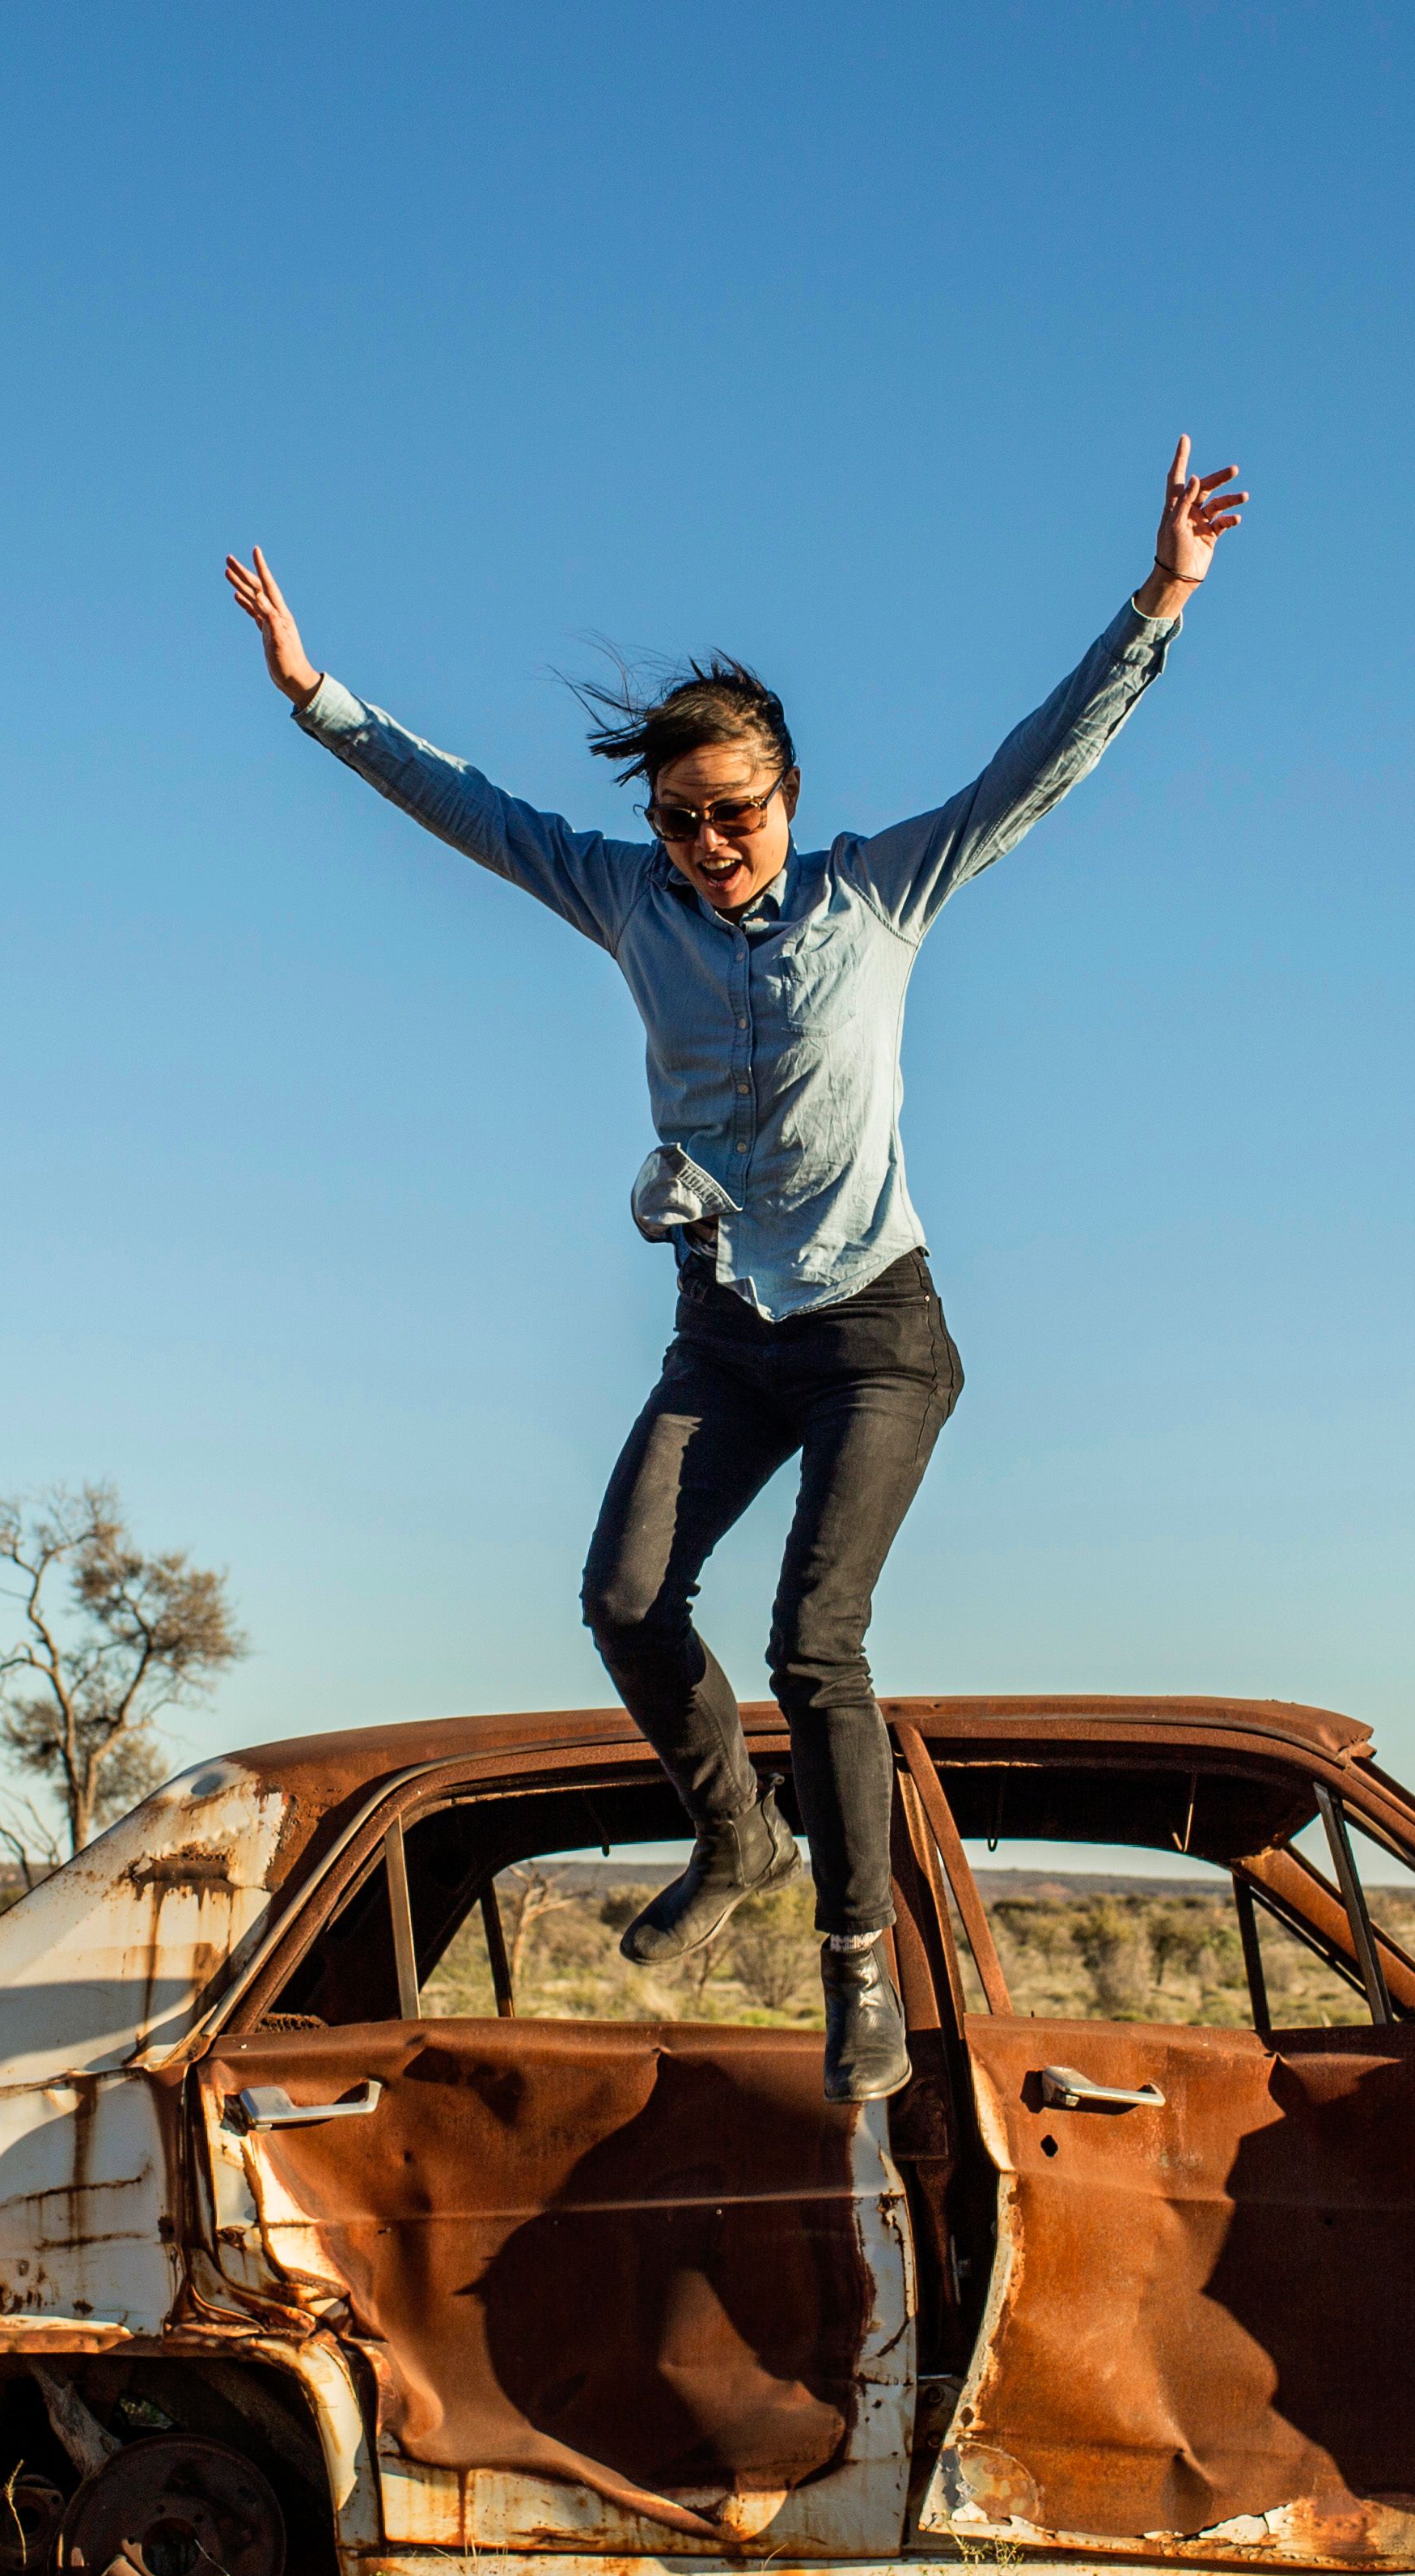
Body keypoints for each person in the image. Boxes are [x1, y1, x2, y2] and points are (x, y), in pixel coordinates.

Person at [223, 439, 1248, 2099]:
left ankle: (858, 1967)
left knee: (813, 1639)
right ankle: (736, 1835)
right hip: (725, 1329)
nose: (706, 843)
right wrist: (318, 697)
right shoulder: (627, 903)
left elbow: (1036, 766)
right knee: (625, 1598)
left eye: (734, 814)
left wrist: (1160, 601)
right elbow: (472, 812)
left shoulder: (880, 891)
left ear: (787, 795)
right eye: (681, 820)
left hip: (877, 1337)